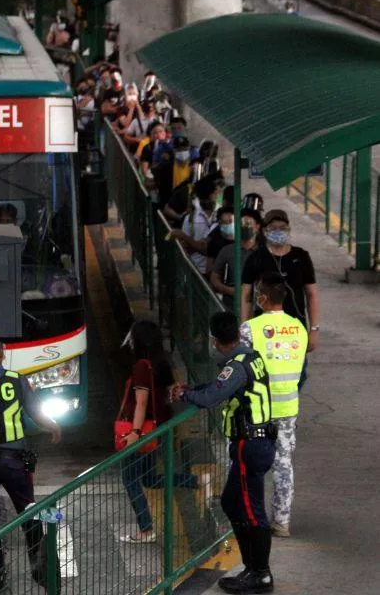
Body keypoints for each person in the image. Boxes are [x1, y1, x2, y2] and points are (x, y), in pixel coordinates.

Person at [172, 311, 276, 594]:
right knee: (232, 502)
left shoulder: (236, 367)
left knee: (253, 511)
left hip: (249, 446)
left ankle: (260, 574)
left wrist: (184, 395)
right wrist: (192, 388)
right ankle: (251, 569)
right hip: (257, 443)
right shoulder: (250, 357)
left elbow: (212, 397)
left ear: (214, 340)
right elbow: (218, 387)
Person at [0, 339, 62, 591]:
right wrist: (53, 427)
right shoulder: (16, 380)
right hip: (13, 462)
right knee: (29, 511)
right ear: (1, 354)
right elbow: (35, 412)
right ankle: (37, 562)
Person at [240, 272, 307, 539]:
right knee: (283, 464)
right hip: (288, 407)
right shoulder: (298, 328)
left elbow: (241, 368)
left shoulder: (250, 329)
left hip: (258, 409)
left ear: (263, 298)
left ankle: (252, 519)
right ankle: (281, 521)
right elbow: (300, 369)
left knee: (250, 463)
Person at [119, 321, 198, 544]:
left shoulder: (142, 366)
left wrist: (134, 432)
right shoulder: (161, 362)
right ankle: (196, 480)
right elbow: (171, 390)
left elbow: (141, 403)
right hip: (159, 427)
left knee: (130, 478)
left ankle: (146, 529)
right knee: (150, 478)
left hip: (143, 431)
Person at [241, 209, 319, 387]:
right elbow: (246, 295)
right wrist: (244, 327)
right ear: (265, 231)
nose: (278, 231)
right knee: (264, 375)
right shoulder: (256, 258)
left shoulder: (301, 257)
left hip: (294, 329)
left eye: (282, 227)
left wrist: (314, 329)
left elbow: (311, 294)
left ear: (289, 229)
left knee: (298, 375)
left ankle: (285, 409)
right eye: (273, 227)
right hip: (264, 330)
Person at [211, 209, 263, 309]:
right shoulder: (227, 251)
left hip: (257, 307)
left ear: (257, 227)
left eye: (248, 223)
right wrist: (230, 290)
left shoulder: (264, 252)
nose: (244, 227)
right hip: (231, 305)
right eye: (241, 224)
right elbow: (214, 278)